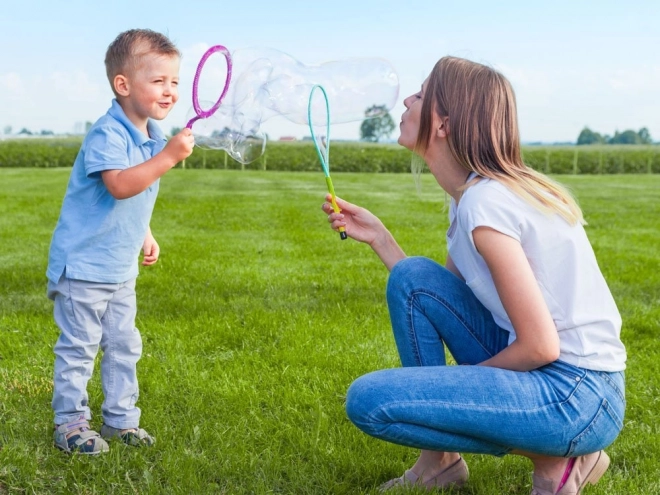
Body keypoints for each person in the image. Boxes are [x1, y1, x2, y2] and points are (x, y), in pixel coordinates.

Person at [322, 56, 626, 494]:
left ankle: (555, 458)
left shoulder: (487, 204)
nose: (407, 100)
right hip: (567, 384)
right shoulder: (470, 198)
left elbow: (540, 345)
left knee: (368, 401)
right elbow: (440, 300)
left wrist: (470, 390)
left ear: (443, 123)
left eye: (421, 95)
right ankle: (439, 463)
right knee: (412, 277)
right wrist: (381, 240)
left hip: (577, 395)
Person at [46, 29, 194, 454]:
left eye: (175, 82)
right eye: (158, 81)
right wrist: (167, 158)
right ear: (123, 85)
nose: (169, 92)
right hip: (85, 267)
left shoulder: (148, 136)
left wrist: (145, 233)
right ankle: (71, 423)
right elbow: (119, 185)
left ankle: (120, 421)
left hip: (118, 268)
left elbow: (136, 195)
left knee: (124, 346)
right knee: (80, 348)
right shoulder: (108, 134)